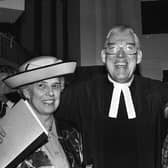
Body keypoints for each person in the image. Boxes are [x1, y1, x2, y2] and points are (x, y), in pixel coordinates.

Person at [55, 24, 168, 168]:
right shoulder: (83, 92)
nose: (121, 56)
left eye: (129, 48)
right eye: (113, 49)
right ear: (103, 56)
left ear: (138, 56)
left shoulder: (157, 91)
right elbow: (45, 107)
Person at [1, 56, 83, 168]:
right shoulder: (8, 135)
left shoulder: (71, 132)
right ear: (26, 92)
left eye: (55, 86)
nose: (51, 93)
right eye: (41, 86)